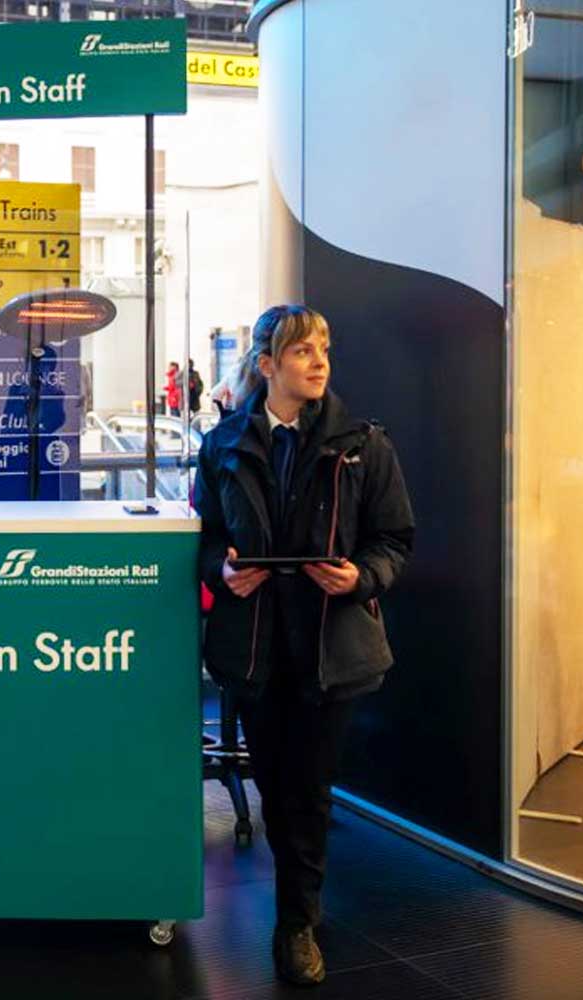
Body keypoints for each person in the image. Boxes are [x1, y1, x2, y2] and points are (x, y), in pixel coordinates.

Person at [193, 305, 414, 987]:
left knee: (308, 790)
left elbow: (394, 541)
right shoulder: (224, 443)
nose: (318, 361)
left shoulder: (363, 445)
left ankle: (296, 924)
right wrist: (224, 571)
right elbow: (202, 539)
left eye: (323, 348)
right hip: (256, 648)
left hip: (331, 647)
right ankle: (298, 903)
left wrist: (358, 577)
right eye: (301, 352)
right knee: (273, 783)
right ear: (267, 366)